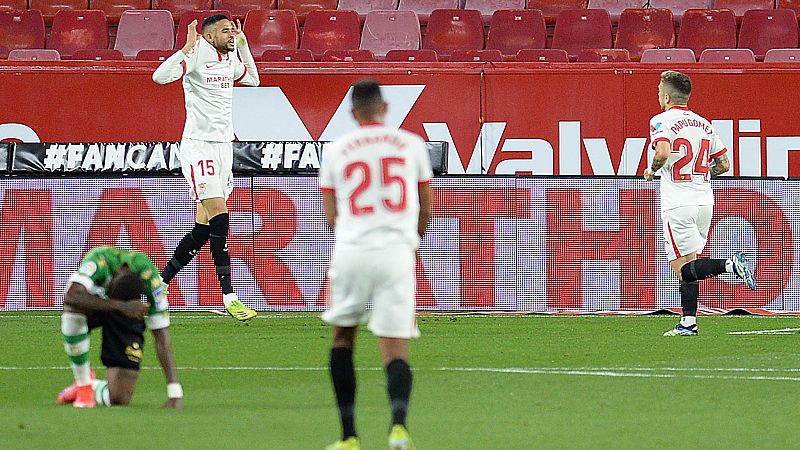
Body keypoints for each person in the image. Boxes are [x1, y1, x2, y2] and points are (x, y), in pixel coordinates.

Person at [319, 79, 432, 450]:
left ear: (352, 114)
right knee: (395, 346)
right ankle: (398, 428)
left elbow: (331, 214)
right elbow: (425, 204)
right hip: (396, 252)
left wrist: (351, 236)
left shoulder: (337, 150)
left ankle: (348, 435)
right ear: (385, 109)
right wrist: (412, 243)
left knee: (342, 337)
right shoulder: (412, 144)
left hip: (352, 249)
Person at [152, 14, 259, 321]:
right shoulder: (197, 53)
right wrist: (185, 48)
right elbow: (159, 77)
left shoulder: (230, 58)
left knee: (203, 228)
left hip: (224, 147)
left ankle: (158, 285)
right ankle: (229, 296)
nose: (232, 33)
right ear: (210, 36)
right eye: (226, 30)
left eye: (233, 30)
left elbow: (252, 78)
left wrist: (243, 46)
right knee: (221, 218)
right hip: (200, 147)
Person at [644, 70, 757, 336]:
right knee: (691, 263)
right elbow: (724, 164)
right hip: (704, 201)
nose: (658, 94)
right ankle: (688, 323)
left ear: (668, 96)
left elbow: (661, 152)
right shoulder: (704, 124)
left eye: (659, 90)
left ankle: (729, 265)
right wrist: (702, 173)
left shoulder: (661, 120)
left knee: (683, 268)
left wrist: (653, 170)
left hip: (679, 203)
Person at [56, 246, 182, 408]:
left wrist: (175, 392)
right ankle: (83, 384)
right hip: (99, 305)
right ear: (112, 277)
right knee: (72, 309)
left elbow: (161, 336)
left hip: (129, 312)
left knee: (119, 398)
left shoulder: (151, 280)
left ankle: (92, 387)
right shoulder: (99, 260)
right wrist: (121, 306)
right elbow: (72, 295)